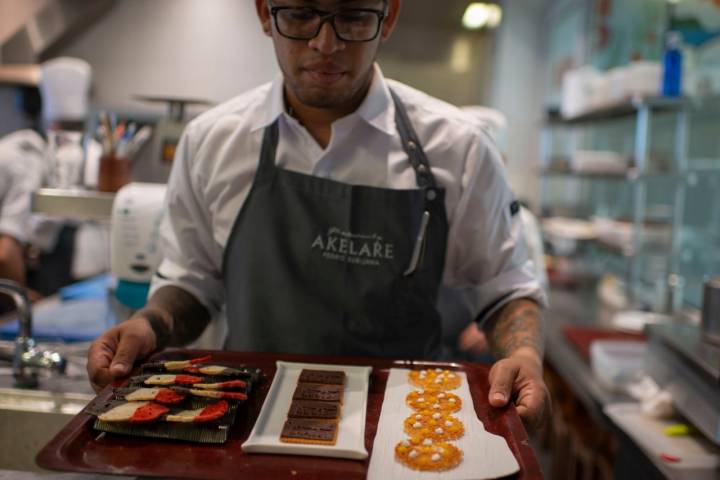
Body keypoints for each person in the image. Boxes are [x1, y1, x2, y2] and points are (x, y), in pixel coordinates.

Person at [88, 0, 550, 430]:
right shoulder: (213, 142)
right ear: (265, 12)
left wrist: (525, 355)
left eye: (352, 17)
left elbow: (505, 288)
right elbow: (192, 282)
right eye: (301, 13)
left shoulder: (459, 148)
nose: (325, 44)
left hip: (403, 429)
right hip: (242, 422)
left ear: (387, 17)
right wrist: (148, 325)